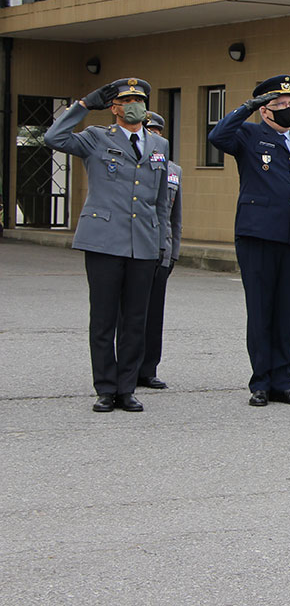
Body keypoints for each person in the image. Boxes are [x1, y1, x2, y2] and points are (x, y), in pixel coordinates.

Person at [44, 78, 170, 412]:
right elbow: (53, 138)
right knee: (103, 320)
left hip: (143, 243)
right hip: (103, 241)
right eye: (127, 100)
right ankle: (105, 387)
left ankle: (127, 388)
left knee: (134, 321)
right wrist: (84, 105)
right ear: (114, 107)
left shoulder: (159, 145)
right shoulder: (96, 138)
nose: (134, 105)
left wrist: (161, 243)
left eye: (140, 100)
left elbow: (160, 202)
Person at [208, 75, 290, 406]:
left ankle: (283, 381)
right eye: (279, 105)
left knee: (286, 312)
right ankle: (260, 381)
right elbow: (217, 136)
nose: (288, 109)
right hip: (258, 235)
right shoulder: (247, 134)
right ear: (264, 110)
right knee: (261, 310)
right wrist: (247, 107)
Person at [137, 111, 182, 390]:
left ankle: (149, 368)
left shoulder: (173, 170)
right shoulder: (135, 165)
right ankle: (126, 366)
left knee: (154, 314)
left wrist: (174, 250)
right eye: (148, 130)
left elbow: (175, 215)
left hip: (162, 250)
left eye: (157, 131)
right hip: (136, 248)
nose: (154, 136)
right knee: (130, 313)